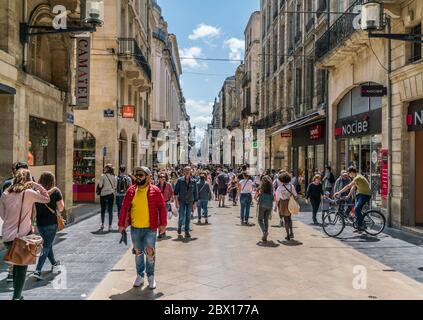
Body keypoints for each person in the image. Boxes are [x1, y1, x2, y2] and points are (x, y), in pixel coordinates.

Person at [0, 169, 50, 300]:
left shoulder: (5, 194)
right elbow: (46, 198)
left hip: (7, 237)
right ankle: (16, 297)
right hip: (21, 237)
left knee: (17, 264)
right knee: (21, 268)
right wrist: (36, 185)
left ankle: (18, 296)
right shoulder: (28, 193)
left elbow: (3, 216)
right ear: (28, 180)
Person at [118, 167, 167, 289]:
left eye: (141, 175)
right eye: (137, 175)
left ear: (148, 177)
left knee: (150, 253)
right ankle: (140, 276)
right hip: (135, 228)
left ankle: (151, 277)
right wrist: (121, 224)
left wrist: (163, 225)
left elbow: (162, 207)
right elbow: (124, 208)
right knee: (138, 253)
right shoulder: (131, 191)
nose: (138, 177)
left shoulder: (155, 191)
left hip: (150, 228)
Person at [33, 172, 64, 280]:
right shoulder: (56, 191)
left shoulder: (35, 192)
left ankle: (54, 263)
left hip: (40, 224)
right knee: (46, 246)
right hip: (51, 223)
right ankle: (38, 270)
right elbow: (61, 208)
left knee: (47, 244)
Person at [334, 167, 372, 232]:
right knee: (355, 210)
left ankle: (361, 226)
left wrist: (338, 192)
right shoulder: (356, 178)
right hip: (360, 194)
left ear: (352, 172)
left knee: (357, 209)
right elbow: (353, 188)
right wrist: (348, 196)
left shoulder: (358, 177)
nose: (348, 175)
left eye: (349, 173)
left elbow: (348, 186)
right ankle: (358, 225)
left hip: (365, 195)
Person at [174, 166, 198, 240]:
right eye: (186, 170)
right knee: (181, 216)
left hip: (190, 201)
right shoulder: (180, 181)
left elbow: (195, 193)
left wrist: (195, 203)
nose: (187, 171)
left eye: (188, 170)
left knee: (188, 216)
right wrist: (176, 202)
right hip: (182, 201)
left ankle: (187, 231)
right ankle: (179, 226)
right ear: (183, 172)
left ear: (191, 171)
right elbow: (175, 193)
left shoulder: (193, 181)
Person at [275, 172, 298, 241]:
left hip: (283, 203)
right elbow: (295, 195)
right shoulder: (291, 186)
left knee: (285, 219)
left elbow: (277, 198)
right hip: (290, 202)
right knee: (289, 218)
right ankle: (291, 232)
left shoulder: (280, 188)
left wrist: (276, 206)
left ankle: (287, 235)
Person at [254, 176, 275, 242]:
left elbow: (255, 198)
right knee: (266, 220)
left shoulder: (260, 189)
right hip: (269, 205)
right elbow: (273, 199)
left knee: (260, 220)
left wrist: (258, 201)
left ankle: (264, 231)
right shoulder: (271, 189)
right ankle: (265, 234)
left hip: (262, 205)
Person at [99, 164, 117, 232]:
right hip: (111, 194)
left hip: (103, 194)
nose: (104, 169)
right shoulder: (114, 176)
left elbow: (100, 185)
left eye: (105, 168)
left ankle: (102, 224)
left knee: (103, 210)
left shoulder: (103, 176)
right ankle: (110, 226)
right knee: (110, 210)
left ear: (107, 169)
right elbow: (115, 186)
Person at [156, 172, 174, 239]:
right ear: (158, 178)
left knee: (163, 218)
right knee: (158, 218)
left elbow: (172, 192)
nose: (162, 178)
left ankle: (163, 231)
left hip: (166, 203)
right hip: (158, 204)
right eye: (161, 177)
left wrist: (171, 198)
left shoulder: (168, 185)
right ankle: (160, 232)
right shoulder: (156, 186)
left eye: (163, 177)